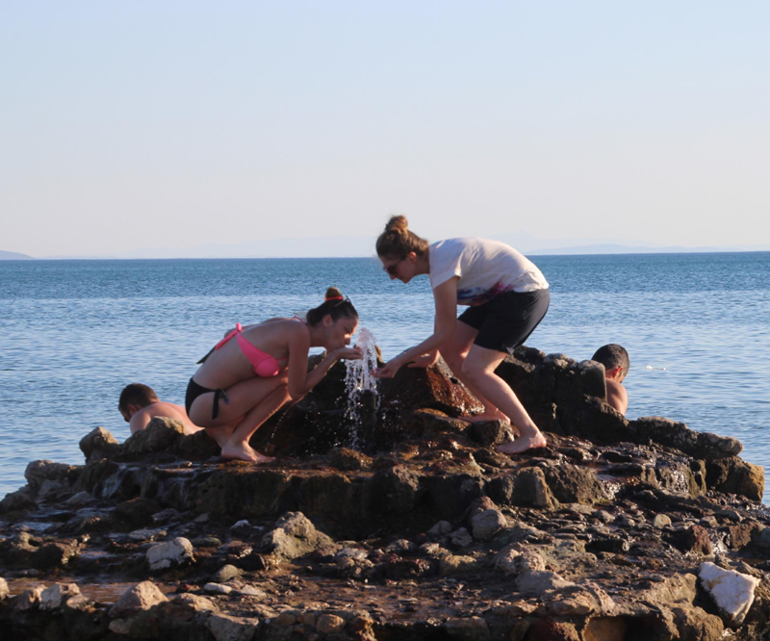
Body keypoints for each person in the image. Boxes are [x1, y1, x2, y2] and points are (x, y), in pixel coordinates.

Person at [373, 216, 550, 454]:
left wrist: (399, 360)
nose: (391, 276)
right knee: (451, 349)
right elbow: (444, 322)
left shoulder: (443, 265)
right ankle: (493, 412)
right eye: (385, 270)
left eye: (392, 268)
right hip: (499, 296)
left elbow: (444, 330)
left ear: (411, 257)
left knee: (477, 368)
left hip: (524, 293)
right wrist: (433, 354)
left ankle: (531, 433)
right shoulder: (437, 264)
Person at [186, 288, 362, 463]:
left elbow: (231, 332)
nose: (348, 340)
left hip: (201, 398)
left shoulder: (290, 325)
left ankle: (225, 429)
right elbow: (296, 390)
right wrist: (331, 358)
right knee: (285, 383)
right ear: (327, 320)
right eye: (347, 330)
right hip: (206, 403)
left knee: (286, 379)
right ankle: (238, 442)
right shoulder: (298, 333)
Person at [119, 383, 204, 436]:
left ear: (132, 408)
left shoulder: (141, 414)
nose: (131, 421)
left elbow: (140, 446)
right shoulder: (183, 409)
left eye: (127, 419)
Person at [591, 344, 629, 415]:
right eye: (620, 381)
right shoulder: (615, 389)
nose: (619, 384)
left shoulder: (572, 377)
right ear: (617, 371)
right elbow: (619, 424)